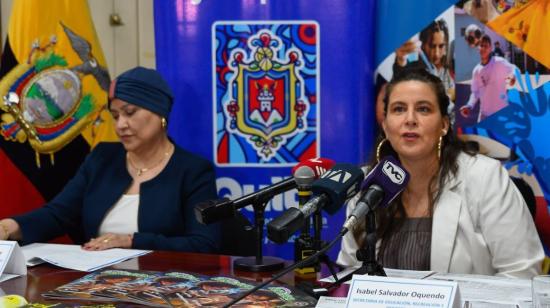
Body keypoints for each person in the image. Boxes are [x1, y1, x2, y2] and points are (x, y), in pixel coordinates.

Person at [337, 68, 543, 278]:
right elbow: (350, 274)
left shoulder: (485, 176)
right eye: (399, 109)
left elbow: (521, 273)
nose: (410, 119)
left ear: (444, 125)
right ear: (386, 126)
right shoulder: (368, 185)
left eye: (423, 109)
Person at [0, 66, 220, 253]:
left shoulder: (193, 171)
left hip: (164, 283)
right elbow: (58, 214)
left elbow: (204, 244)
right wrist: (9, 227)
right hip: (97, 282)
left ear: (160, 113)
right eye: (115, 116)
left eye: (130, 113)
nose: (120, 125)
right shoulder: (102, 158)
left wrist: (132, 241)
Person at [394, 19, 455, 103]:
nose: (437, 54)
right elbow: (400, 74)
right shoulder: (413, 70)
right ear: (422, 45)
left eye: (441, 46)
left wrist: (448, 95)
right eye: (432, 46)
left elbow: (452, 90)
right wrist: (401, 59)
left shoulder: (445, 70)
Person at [460, 34, 518, 122]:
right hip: (484, 115)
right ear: (478, 48)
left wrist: (513, 76)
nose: (483, 48)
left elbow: (515, 69)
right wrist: (469, 105)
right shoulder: (476, 70)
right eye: (481, 45)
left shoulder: (499, 62)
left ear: (491, 48)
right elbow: (475, 92)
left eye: (486, 46)